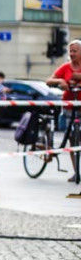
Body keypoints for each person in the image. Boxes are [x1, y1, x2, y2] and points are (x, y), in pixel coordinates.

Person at [46, 39, 81, 183]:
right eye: (70, 51)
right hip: (68, 107)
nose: (72, 54)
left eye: (75, 51)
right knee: (73, 140)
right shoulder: (65, 67)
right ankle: (76, 172)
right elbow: (49, 80)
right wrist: (60, 82)